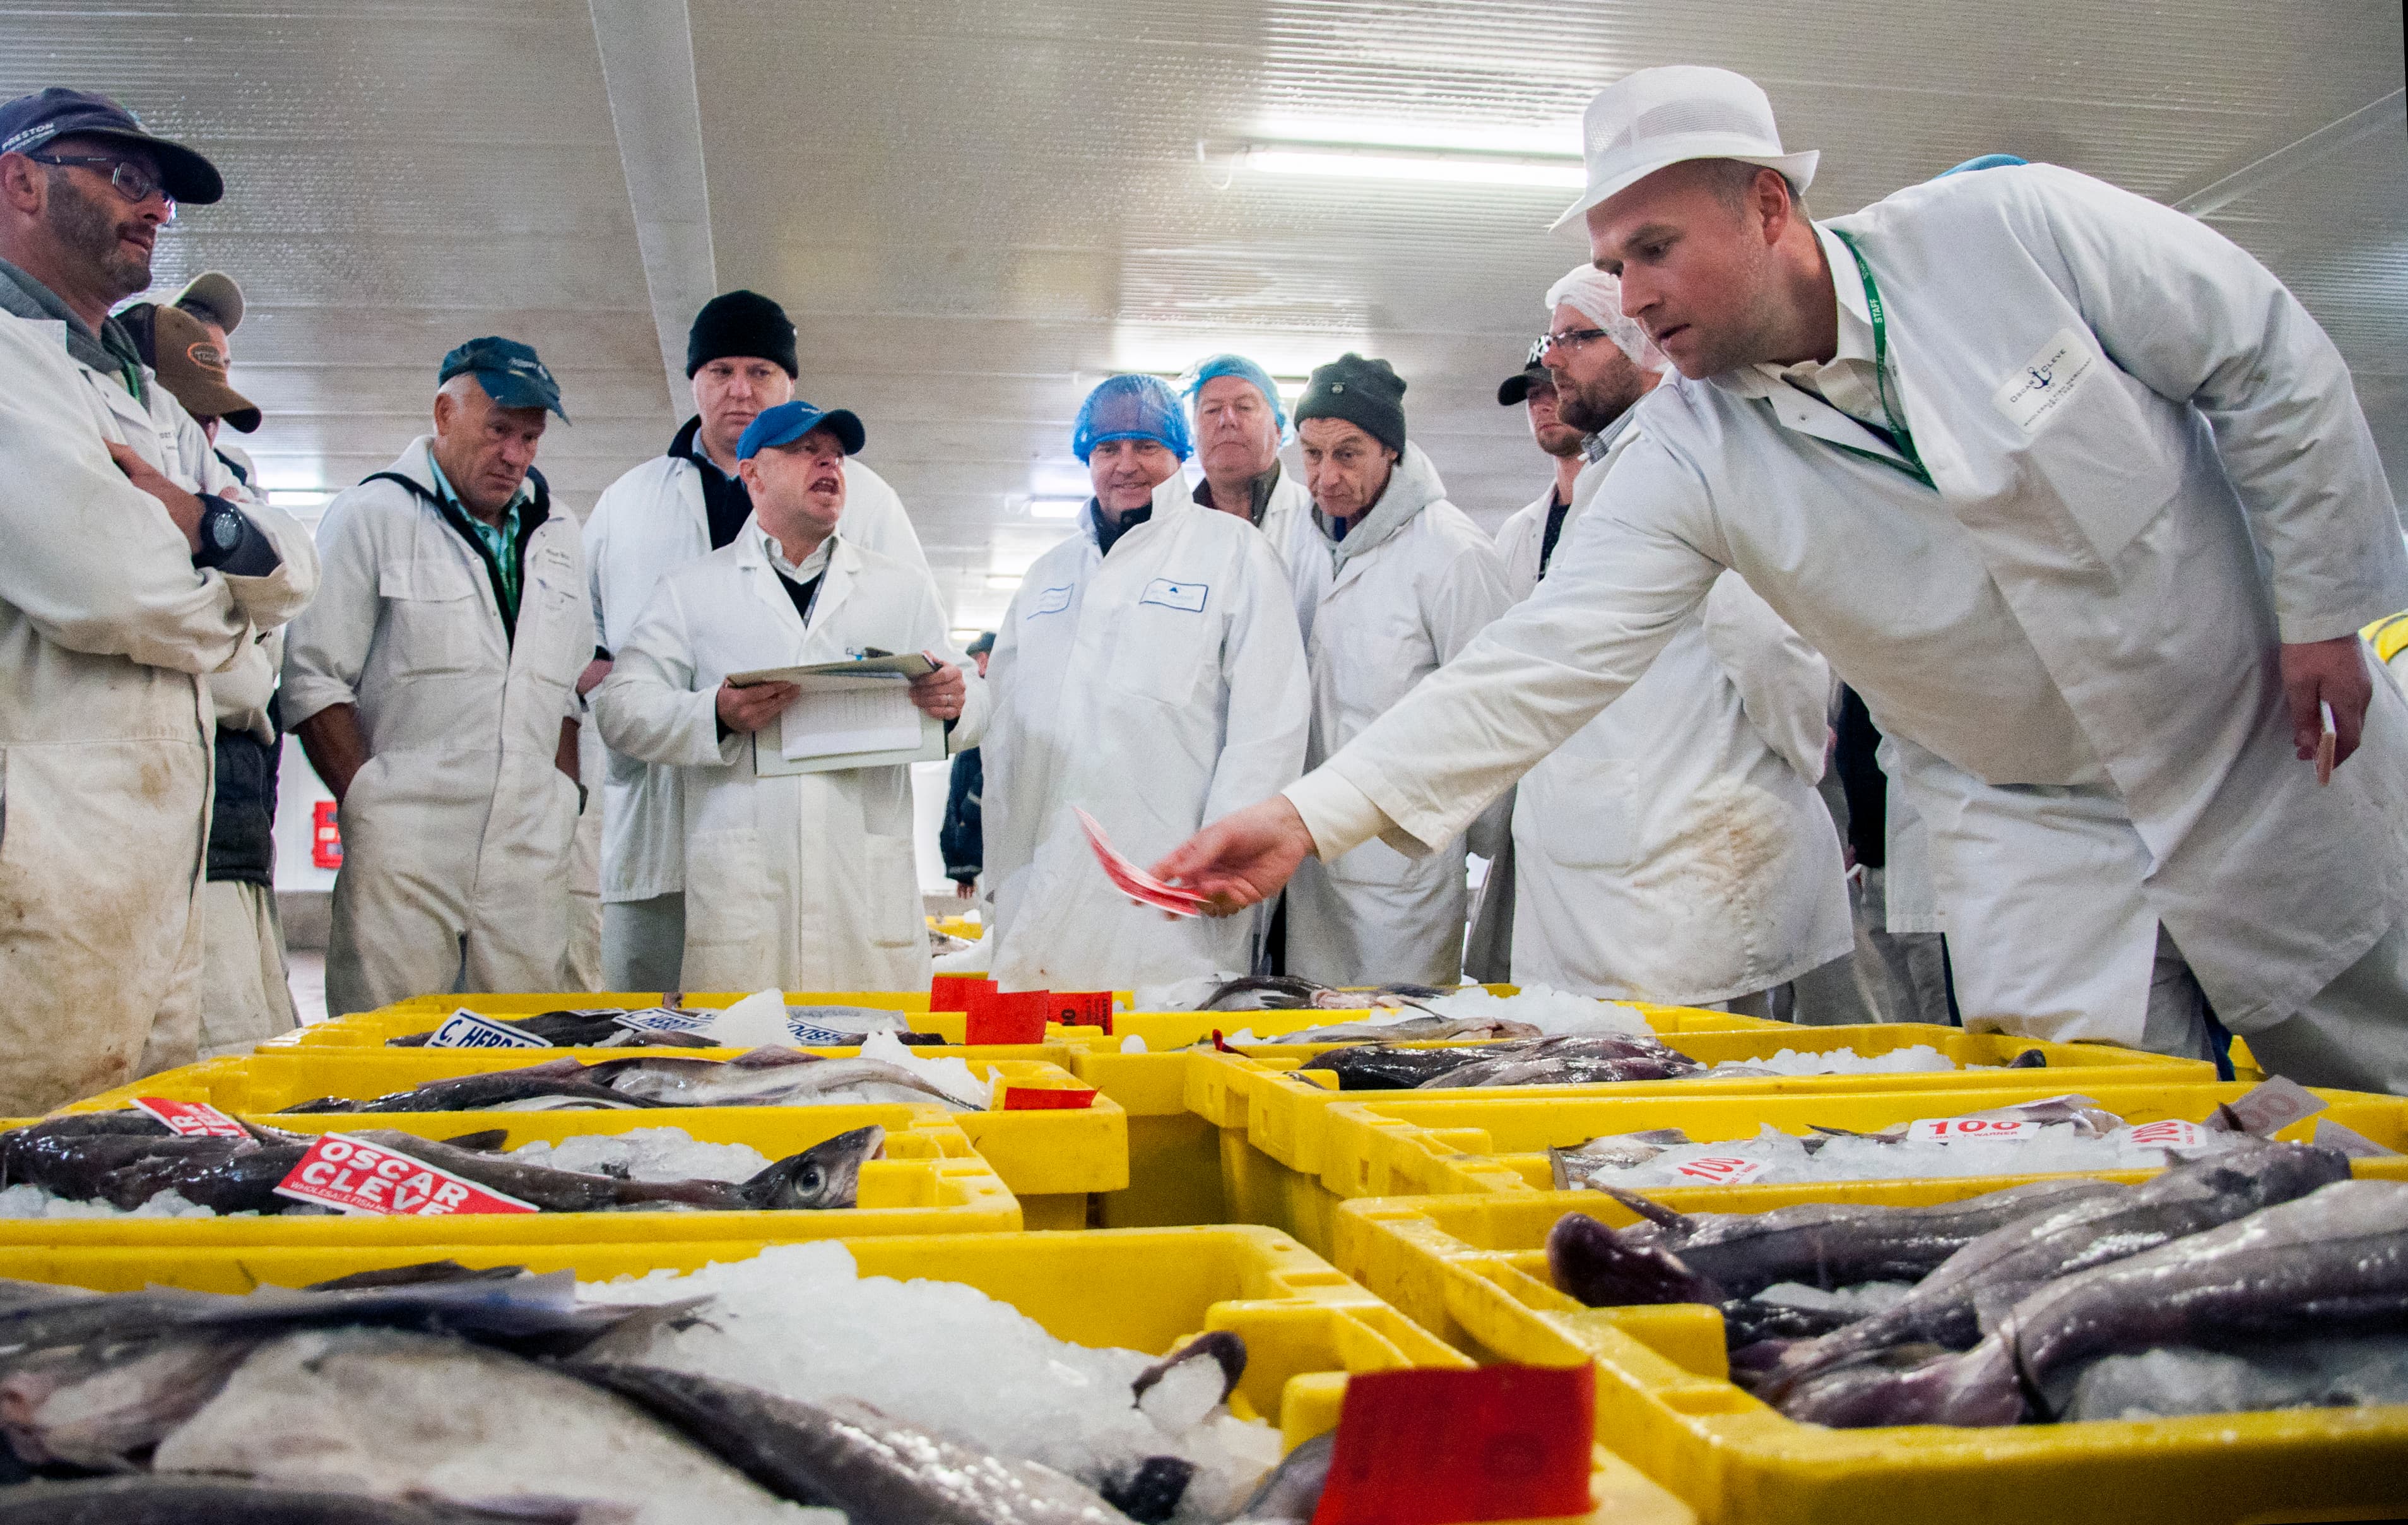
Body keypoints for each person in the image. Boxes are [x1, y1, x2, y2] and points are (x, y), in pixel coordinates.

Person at [1155, 66, 2408, 1094]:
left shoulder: (2004, 232)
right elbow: (1535, 666)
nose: (1634, 298)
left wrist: (2320, 610)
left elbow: (2262, 353)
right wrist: (1314, 813)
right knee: (2113, 1147)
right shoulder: (1690, 453)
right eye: (1614, 261)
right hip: (2029, 821)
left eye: (1654, 251)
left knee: (2377, 1070)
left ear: (1766, 207)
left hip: (2264, 737)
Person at [0, 87, 315, 1108]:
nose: (157, 210)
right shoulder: (10, 360)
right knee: (32, 1212)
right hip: (43, 872)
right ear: (20, 180)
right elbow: (115, 589)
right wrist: (229, 610)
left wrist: (205, 536)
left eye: (163, 194)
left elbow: (290, 567)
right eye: (125, 178)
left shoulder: (150, 404)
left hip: (155, 885)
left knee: (154, 1186)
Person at [1487, 266, 1852, 1014]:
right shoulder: (1608, 473)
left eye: (1577, 339)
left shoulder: (1696, 461)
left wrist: (1799, 758)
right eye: (1549, 341)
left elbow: (1769, 650)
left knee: (1696, 1107)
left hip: (1680, 878)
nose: (1552, 361)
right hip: (1603, 878)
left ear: (1644, 348)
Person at [584, 290, 929, 991]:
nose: (740, 389)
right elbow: (592, 666)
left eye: (761, 371)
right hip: (656, 825)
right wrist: (694, 713)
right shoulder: (626, 503)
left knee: (807, 1030)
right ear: (693, 383)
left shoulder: (869, 500)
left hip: (817, 828)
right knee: (658, 1048)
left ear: (790, 382)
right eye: (720, 371)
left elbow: (927, 653)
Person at [283, 337, 593, 1016]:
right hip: (406, 855)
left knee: (523, 1057)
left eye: (531, 439)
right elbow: (313, 680)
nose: (516, 455)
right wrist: (369, 804)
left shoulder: (562, 534)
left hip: (529, 858)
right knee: (388, 1046)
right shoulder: (372, 516)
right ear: (444, 413)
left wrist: (563, 798)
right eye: (499, 431)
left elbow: (568, 689)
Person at [983, 375, 1308, 990]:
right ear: (1088, 460)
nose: (1126, 465)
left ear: (1180, 456)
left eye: (1146, 446)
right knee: (1041, 1073)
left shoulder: (1235, 553)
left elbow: (1269, 723)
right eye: (1107, 448)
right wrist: (1002, 875)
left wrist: (1225, 859)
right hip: (1042, 893)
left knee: (1161, 1068)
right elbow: (1001, 731)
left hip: (1172, 899)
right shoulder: (1048, 576)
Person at [1278, 354, 1513, 988]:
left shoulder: (1453, 554)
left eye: (1348, 454)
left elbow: (1494, 718)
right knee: (1306, 1054)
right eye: (1311, 454)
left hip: (1399, 874)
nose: (1326, 476)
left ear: (1391, 450)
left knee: (1394, 1053)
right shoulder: (1296, 542)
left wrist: (1486, 849)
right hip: (1306, 870)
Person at [119, 290, 304, 1055]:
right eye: (191, 414)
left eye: (214, 416)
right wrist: (243, 618)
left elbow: (261, 676)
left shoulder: (233, 494)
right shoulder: (120, 489)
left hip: (234, 833)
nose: (208, 435)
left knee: (254, 1043)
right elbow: (236, 676)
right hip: (159, 837)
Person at [1184, 353, 1310, 553]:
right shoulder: (1173, 528)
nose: (1227, 420)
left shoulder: (1318, 519)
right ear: (1194, 432)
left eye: (1245, 407)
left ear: (1278, 429)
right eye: (1212, 410)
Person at [941, 631, 996, 899]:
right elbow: (960, 791)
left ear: (983, 662)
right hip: (981, 855)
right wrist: (962, 867)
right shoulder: (976, 715)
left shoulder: (999, 710)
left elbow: (982, 786)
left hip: (991, 852)